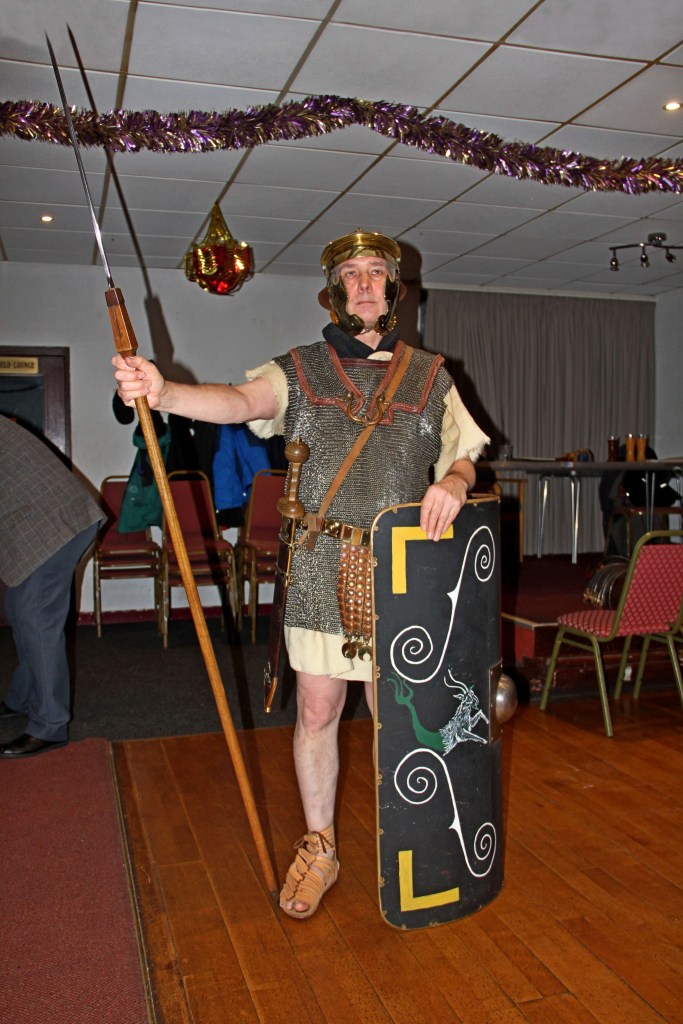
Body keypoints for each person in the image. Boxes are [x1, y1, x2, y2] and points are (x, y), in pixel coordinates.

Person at [113, 230, 489, 918]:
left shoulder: (431, 376)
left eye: (375, 272)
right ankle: (320, 848)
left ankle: (414, 838)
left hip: (403, 575)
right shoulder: (303, 370)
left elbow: (465, 452)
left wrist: (457, 482)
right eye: (351, 274)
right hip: (322, 567)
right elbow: (239, 401)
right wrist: (163, 391)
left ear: (394, 289)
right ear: (333, 291)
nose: (365, 284)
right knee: (317, 711)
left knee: (399, 718)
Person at [0, 417, 105, 758]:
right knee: (21, 609)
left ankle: (50, 726)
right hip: (42, 519)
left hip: (51, 523)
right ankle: (22, 698)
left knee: (36, 617)